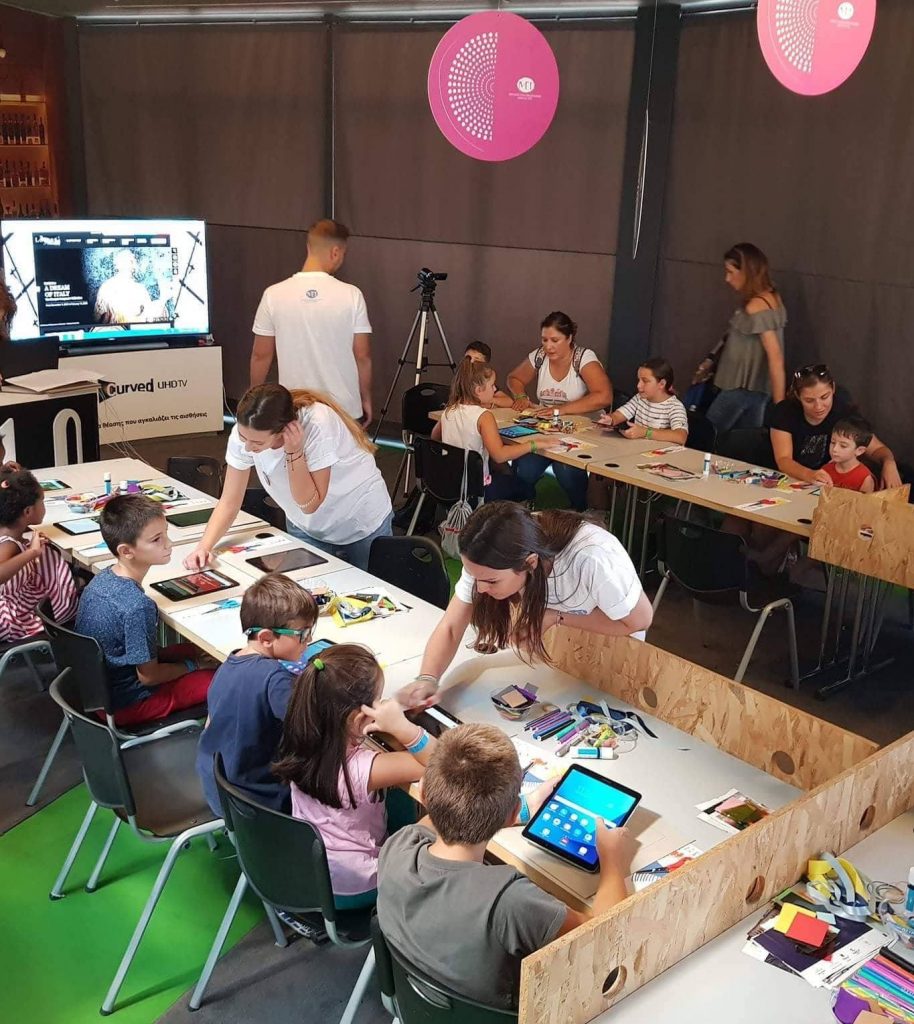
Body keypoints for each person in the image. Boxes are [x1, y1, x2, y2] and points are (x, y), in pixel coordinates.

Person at [377, 723, 637, 1009]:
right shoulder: (511, 903)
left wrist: (522, 807)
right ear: (513, 813)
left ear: (424, 794)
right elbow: (604, 936)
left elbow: (440, 817)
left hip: (415, 1009)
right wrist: (612, 860)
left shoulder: (399, 846)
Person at [397, 502, 652, 707]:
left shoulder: (593, 558)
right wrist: (427, 678)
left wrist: (554, 616)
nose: (480, 589)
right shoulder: (487, 555)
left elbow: (638, 620)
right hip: (563, 657)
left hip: (615, 658)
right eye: (475, 578)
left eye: (491, 581)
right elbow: (452, 626)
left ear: (530, 563)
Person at [272, 644, 436, 909]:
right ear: (359, 717)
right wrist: (403, 727)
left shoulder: (298, 736)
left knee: (398, 799)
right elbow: (438, 762)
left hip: (313, 870)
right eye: (378, 700)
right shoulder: (361, 768)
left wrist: (394, 707)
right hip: (359, 885)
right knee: (438, 821)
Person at [185, 384, 392, 573]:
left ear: (283, 431)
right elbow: (230, 501)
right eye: (242, 437)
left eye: (257, 443)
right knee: (306, 590)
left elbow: (309, 503)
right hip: (306, 526)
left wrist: (294, 453)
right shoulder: (248, 431)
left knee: (369, 591)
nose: (247, 447)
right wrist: (204, 547)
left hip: (359, 519)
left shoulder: (318, 424)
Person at [76, 495, 216, 726]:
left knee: (197, 651)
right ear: (126, 551)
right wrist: (194, 666)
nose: (169, 544)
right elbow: (149, 677)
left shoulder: (101, 579)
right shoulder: (137, 607)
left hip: (97, 692)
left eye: (166, 534)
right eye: (157, 539)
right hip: (128, 704)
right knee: (224, 679)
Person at [195, 573, 318, 816]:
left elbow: (210, 722)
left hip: (218, 787)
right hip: (256, 803)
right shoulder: (275, 678)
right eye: (302, 634)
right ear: (266, 638)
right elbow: (312, 730)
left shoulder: (229, 663)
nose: (309, 640)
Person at [250, 219, 373, 425]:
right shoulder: (352, 295)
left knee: (295, 448)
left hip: (294, 407)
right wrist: (366, 397)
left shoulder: (273, 295)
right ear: (335, 252)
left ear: (309, 247)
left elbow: (260, 356)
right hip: (344, 409)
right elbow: (363, 356)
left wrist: (254, 401)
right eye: (344, 254)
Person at [504, 312, 614, 510]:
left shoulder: (583, 358)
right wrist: (520, 396)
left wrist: (561, 409)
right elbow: (514, 378)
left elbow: (604, 396)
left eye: (555, 340)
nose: (548, 346)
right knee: (525, 466)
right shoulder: (539, 356)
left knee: (566, 470)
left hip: (582, 432)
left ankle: (580, 509)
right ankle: (525, 502)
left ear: (569, 338)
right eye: (544, 340)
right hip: (546, 429)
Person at [432, 360, 565, 502]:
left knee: (506, 475)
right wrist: (534, 444)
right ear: (478, 391)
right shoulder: (484, 416)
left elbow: (434, 438)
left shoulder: (449, 411)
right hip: (478, 490)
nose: (495, 388)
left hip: (451, 484)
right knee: (525, 487)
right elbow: (500, 456)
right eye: (492, 385)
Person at [769, 365, 901, 489]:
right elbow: (783, 460)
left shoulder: (844, 411)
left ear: (833, 388)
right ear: (798, 396)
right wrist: (810, 474)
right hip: (787, 480)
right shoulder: (785, 412)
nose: (818, 406)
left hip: (827, 485)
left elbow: (876, 448)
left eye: (824, 397)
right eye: (809, 400)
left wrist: (889, 462)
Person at [702, 243, 787, 432]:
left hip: (741, 388)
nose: (727, 279)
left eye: (731, 272)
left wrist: (780, 407)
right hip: (754, 389)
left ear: (747, 272)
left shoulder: (757, 306)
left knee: (706, 435)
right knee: (744, 440)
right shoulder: (771, 297)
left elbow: (775, 358)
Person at [0, 463, 78, 641]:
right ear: (28, 511)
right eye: (42, 501)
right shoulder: (8, 544)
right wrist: (33, 551)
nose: (44, 506)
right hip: (12, 620)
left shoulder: (9, 534)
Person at [598, 357, 689, 445]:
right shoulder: (639, 398)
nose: (638, 385)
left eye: (645, 381)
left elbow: (681, 436)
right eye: (639, 380)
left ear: (662, 384)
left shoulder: (675, 407)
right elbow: (620, 414)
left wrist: (645, 432)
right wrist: (611, 420)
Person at [94, 248, 169, 325]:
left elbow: (96, 318)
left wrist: (161, 302)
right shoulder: (107, 287)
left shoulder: (140, 289)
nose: (131, 263)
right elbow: (97, 317)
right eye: (129, 260)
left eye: (131, 260)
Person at [823, 417, 876, 493]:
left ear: (859, 451)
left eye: (843, 446)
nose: (834, 449)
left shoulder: (865, 478)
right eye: (833, 442)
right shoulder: (825, 470)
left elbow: (866, 500)